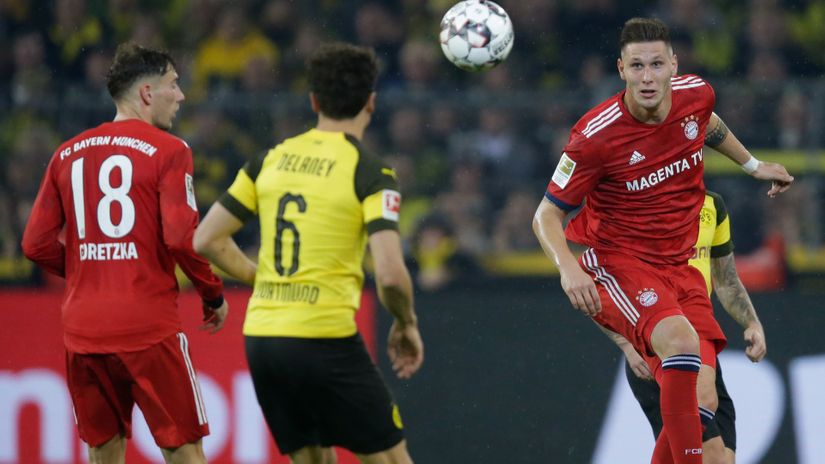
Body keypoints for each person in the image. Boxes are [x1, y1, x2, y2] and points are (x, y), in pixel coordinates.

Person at [532, 18, 792, 464]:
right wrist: (567, 268)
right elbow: (546, 215)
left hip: (681, 263)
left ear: (674, 64)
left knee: (705, 397)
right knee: (679, 341)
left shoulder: (696, 94)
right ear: (621, 69)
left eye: (656, 64)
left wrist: (752, 165)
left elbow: (706, 121)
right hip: (620, 261)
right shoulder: (594, 138)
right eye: (637, 66)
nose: (647, 77)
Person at [193, 42, 423, 464]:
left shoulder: (269, 160)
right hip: (324, 338)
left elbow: (206, 239)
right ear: (371, 103)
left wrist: (259, 278)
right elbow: (390, 274)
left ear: (314, 101)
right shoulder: (370, 172)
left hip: (264, 338)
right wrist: (406, 323)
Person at [21, 43, 228, 463]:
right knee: (185, 449)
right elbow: (180, 238)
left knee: (104, 450)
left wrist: (90, 269)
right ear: (148, 93)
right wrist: (212, 294)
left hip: (83, 333)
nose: (182, 95)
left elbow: (34, 244)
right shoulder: (171, 150)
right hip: (147, 329)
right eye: (174, 84)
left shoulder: (67, 153)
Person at [601, 190, 766, 463]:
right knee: (709, 454)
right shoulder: (635, 202)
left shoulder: (713, 205)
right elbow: (608, 283)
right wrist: (627, 346)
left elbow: (725, 279)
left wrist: (751, 322)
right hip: (659, 345)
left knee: (723, 459)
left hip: (702, 343)